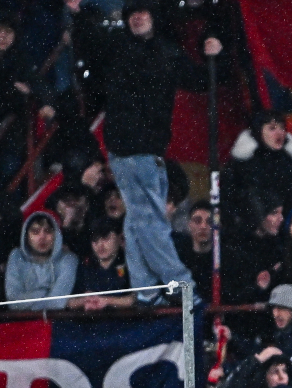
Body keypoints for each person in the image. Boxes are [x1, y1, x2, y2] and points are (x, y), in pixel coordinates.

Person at [64, 0, 225, 303]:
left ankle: (145, 289)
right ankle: (179, 283)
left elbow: (199, 79)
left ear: (153, 16)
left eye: (142, 13)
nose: (137, 18)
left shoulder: (168, 52)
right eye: (132, 15)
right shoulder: (116, 47)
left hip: (149, 150)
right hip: (128, 150)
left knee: (139, 219)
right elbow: (89, 40)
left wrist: (215, 53)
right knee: (150, 220)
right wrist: (80, 13)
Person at [4, 211, 78, 310]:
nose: (42, 237)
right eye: (35, 232)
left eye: (47, 231)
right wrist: (44, 292)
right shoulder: (16, 256)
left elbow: (55, 304)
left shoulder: (69, 259)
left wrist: (30, 300)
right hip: (21, 322)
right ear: (26, 236)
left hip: (56, 322)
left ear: (56, 234)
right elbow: (13, 302)